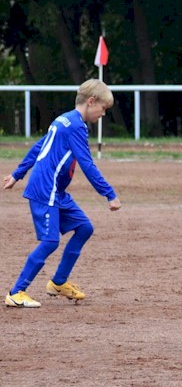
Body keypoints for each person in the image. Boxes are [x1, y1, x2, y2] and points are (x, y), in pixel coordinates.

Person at [3, 79, 121, 308]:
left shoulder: (64, 119)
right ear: (91, 101)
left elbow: (39, 145)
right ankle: (16, 292)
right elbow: (87, 164)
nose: (103, 114)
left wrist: (18, 174)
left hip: (55, 190)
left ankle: (58, 282)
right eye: (103, 109)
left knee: (85, 227)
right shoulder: (75, 126)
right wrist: (109, 193)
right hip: (45, 189)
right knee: (50, 241)